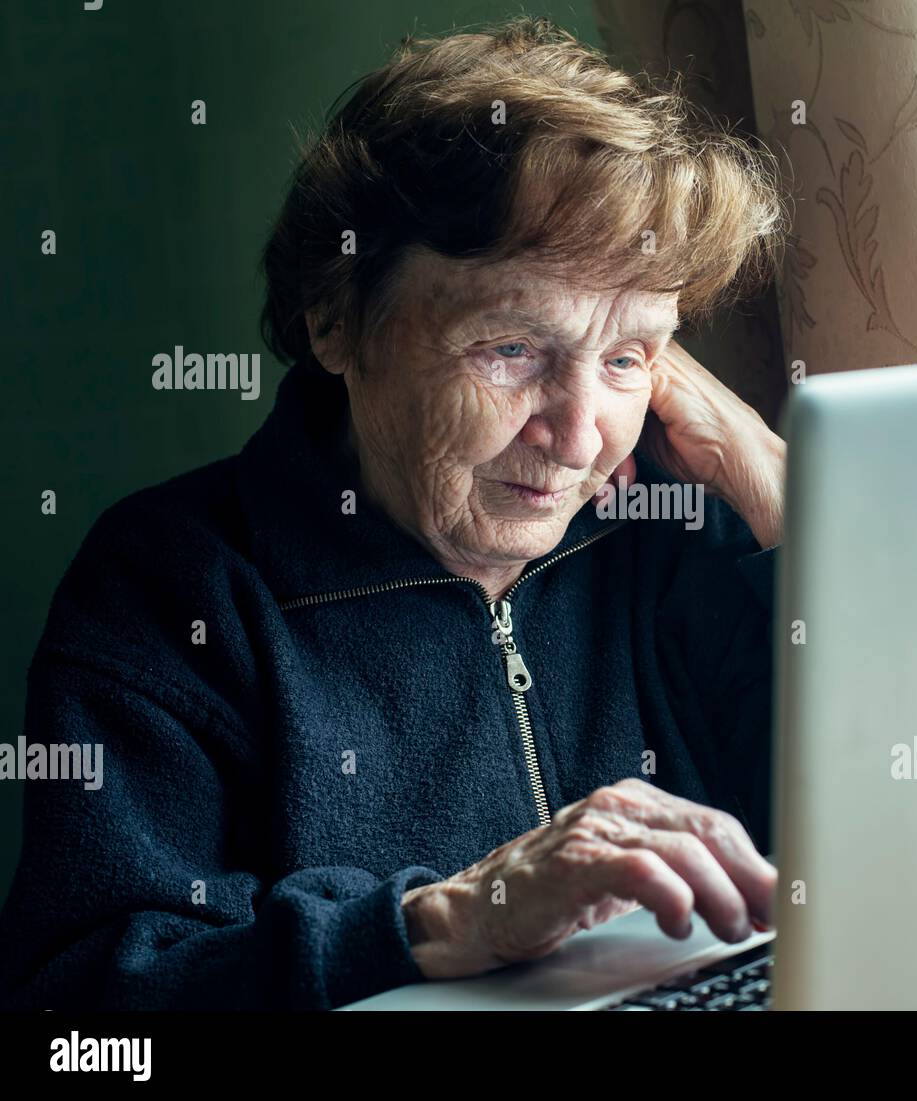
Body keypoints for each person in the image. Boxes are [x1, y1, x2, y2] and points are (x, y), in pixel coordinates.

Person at [0, 16, 788, 1010]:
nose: (580, 437)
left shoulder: (680, 538)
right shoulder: (173, 589)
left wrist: (780, 492)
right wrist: (442, 923)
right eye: (511, 349)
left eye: (629, 357)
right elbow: (81, 1015)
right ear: (336, 318)